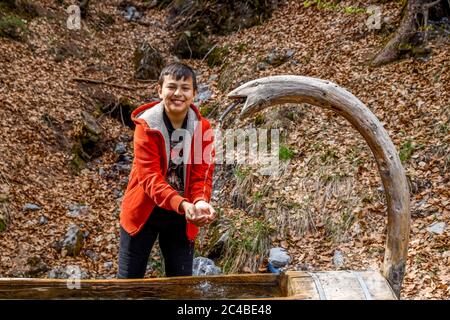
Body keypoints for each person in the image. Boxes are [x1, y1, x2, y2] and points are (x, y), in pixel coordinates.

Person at [118, 62, 216, 278]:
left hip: (182, 215)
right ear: (160, 90)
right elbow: (149, 178)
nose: (178, 93)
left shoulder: (202, 128)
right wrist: (183, 204)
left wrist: (200, 201)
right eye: (171, 87)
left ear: (194, 93)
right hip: (144, 210)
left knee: (180, 286)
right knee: (127, 286)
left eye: (185, 88)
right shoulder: (146, 127)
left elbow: (203, 174)